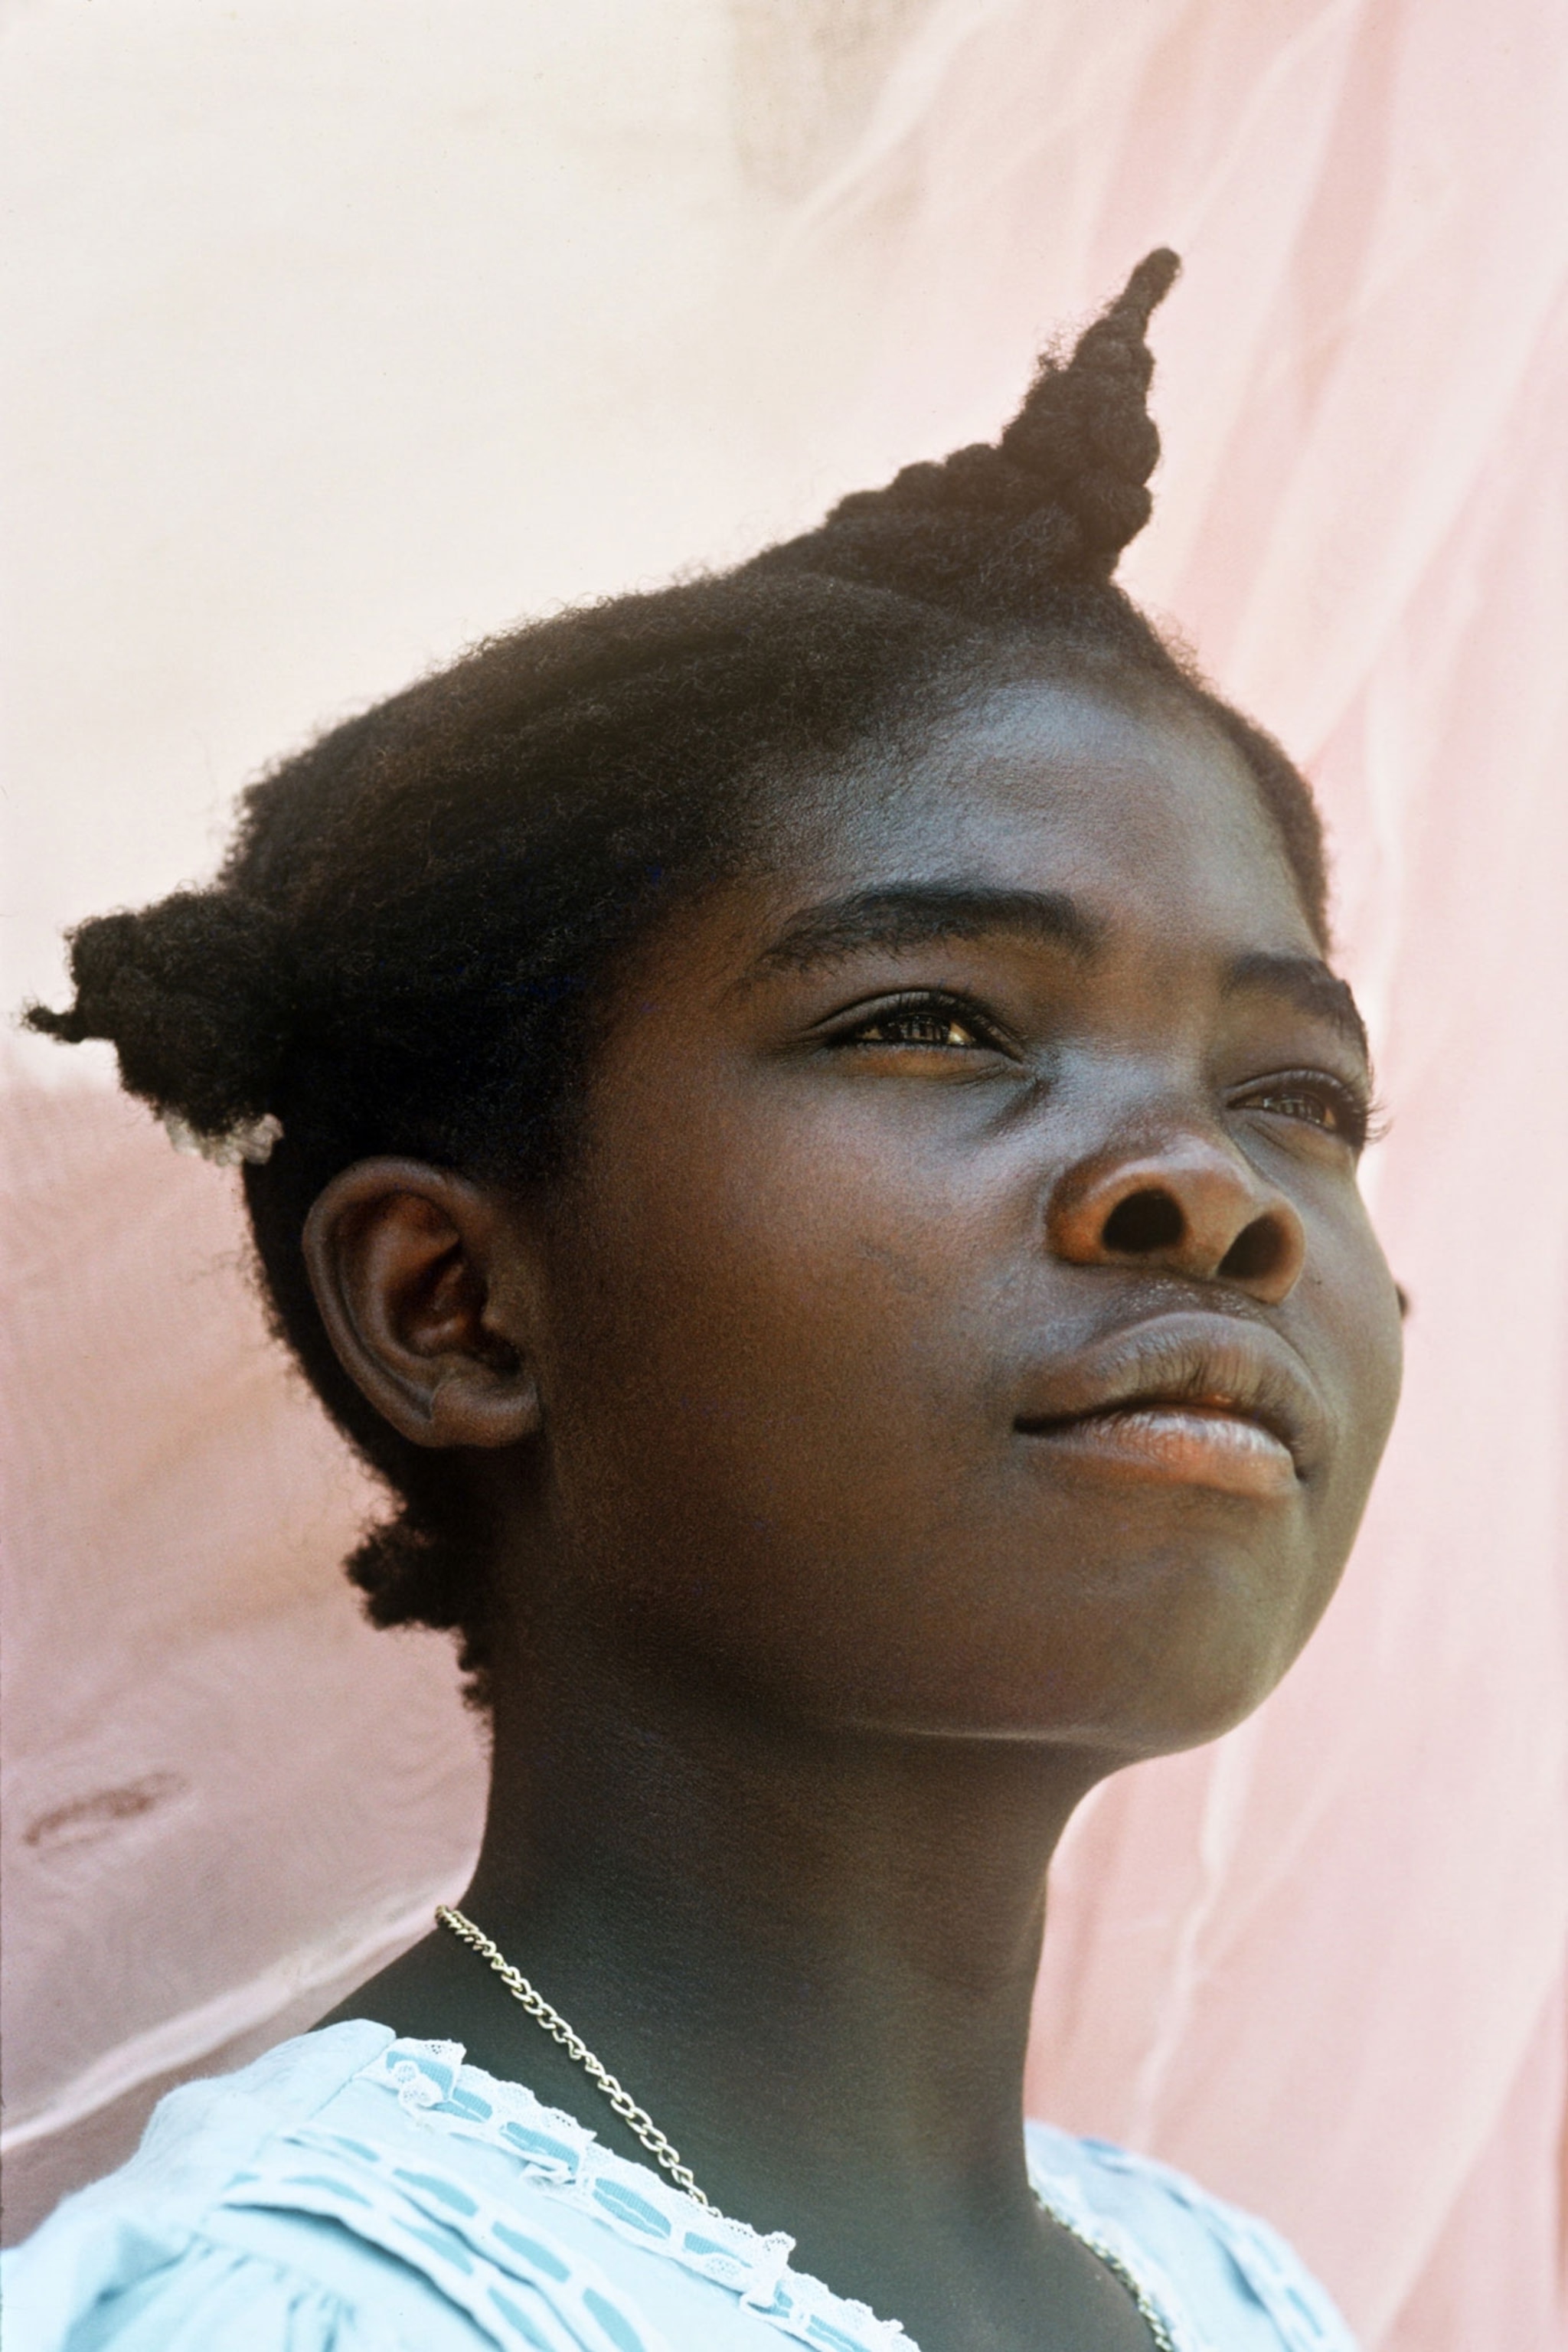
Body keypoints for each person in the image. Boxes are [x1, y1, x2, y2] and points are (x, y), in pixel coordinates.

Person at [5, 250, 1402, 2351]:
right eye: (936, 1024)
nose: (1208, 1193)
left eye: (1297, 1091)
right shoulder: (289, 2313)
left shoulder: (1230, 2292)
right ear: (457, 1302)